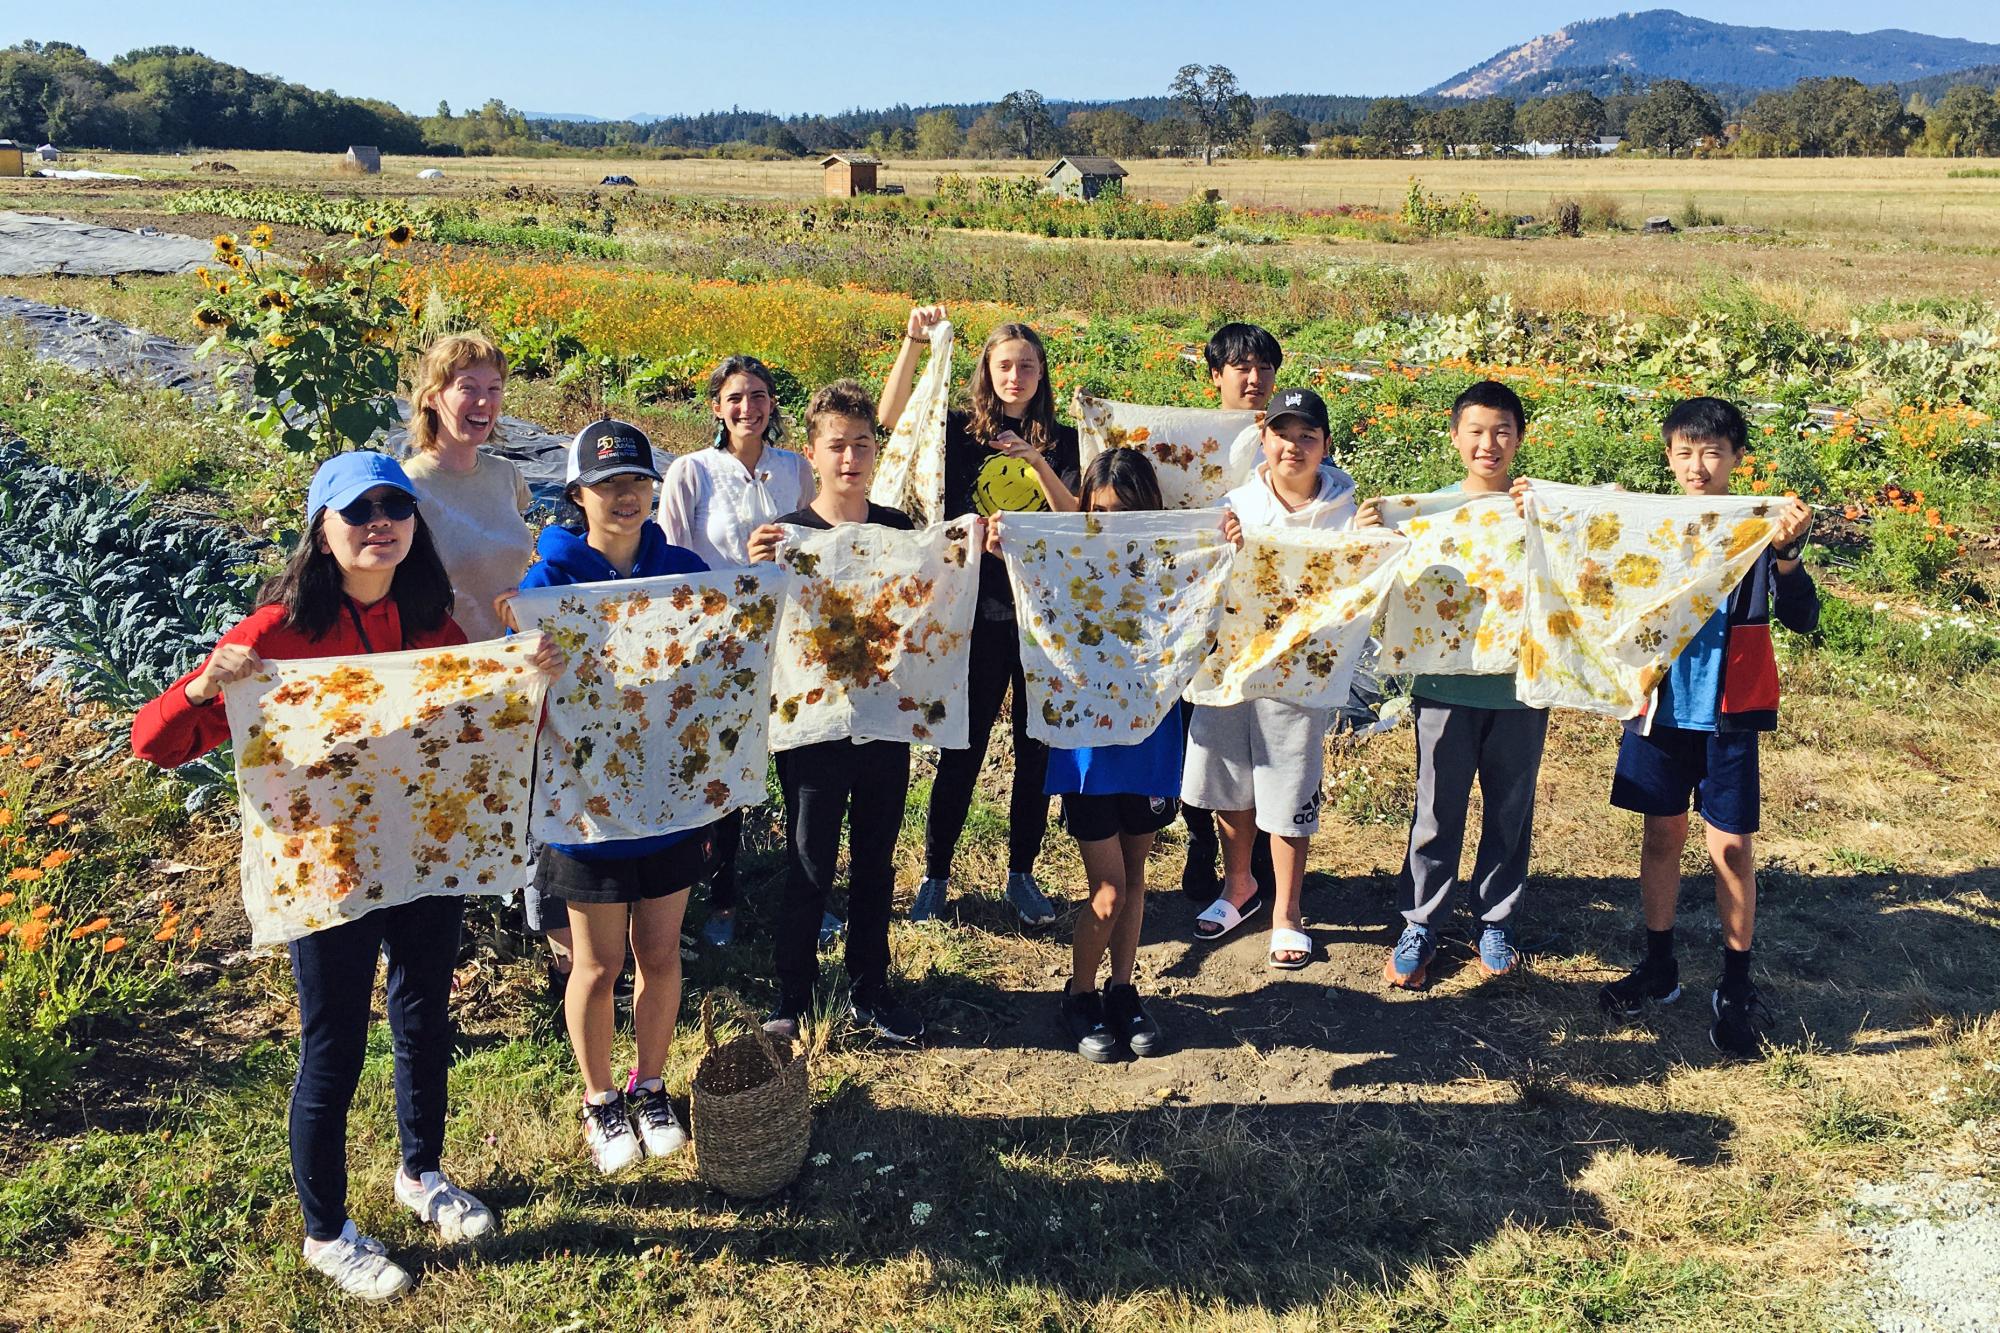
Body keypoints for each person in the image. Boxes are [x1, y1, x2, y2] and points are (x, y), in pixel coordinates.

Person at [131, 452, 564, 1302]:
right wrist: (202, 685)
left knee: (423, 1018)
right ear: (322, 530)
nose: (380, 522)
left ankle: (421, 1171)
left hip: (423, 857)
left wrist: (529, 679)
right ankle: (326, 1233)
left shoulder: (427, 621)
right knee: (333, 1047)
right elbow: (158, 743)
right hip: (330, 870)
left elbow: (481, 721)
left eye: (395, 507)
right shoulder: (273, 635)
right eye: (358, 508)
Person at [515, 419, 714, 1174]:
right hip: (588, 808)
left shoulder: (686, 571)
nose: (624, 497)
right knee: (594, 966)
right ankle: (601, 1100)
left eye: (635, 482)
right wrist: (525, 655)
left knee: (659, 953)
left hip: (669, 799)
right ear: (578, 496)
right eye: (607, 486)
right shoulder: (547, 585)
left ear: (652, 490)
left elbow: (727, 653)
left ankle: (652, 1083)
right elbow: (524, 687)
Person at [1591, 397, 1817, 1058]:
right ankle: (1659, 966)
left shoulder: (1759, 528)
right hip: (1658, 707)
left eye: (1713, 451)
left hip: (1728, 714)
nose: (1699, 465)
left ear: (1736, 457)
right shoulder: (1651, 526)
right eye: (1685, 452)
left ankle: (1735, 984)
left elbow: (1802, 618)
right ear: (1669, 457)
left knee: (1733, 848)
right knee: (1661, 834)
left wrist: (1788, 558)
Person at [880, 306, 1080, 928]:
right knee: (960, 749)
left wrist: (1036, 460)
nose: (1014, 376)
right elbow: (891, 421)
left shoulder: (1067, 441)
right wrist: (914, 343)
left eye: (1026, 365)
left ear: (1042, 373)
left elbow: (1075, 517)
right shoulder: (958, 432)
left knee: (1034, 748)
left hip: (1039, 619)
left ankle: (1022, 874)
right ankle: (935, 876)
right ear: (986, 372)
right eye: (1003, 365)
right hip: (972, 614)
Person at [745, 380, 929, 1045]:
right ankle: (791, 995)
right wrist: (756, 572)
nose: (850, 457)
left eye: (861, 444)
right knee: (808, 861)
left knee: (877, 860)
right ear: (811, 453)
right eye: (836, 446)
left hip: (883, 721)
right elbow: (758, 627)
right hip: (813, 727)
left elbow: (927, 608)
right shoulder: (787, 535)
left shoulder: (900, 530)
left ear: (875, 451)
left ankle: (869, 987)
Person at [1356, 381, 1548, 990]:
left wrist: (1564, 516)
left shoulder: (1539, 508)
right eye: (1477, 431)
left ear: (1519, 438)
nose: (1488, 444)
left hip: (1520, 687)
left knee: (1510, 808)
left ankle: (1495, 919)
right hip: (1444, 686)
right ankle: (1422, 920)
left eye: (1502, 432)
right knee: (1436, 811)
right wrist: (1374, 537)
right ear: (1455, 436)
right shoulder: (1428, 512)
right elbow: (1379, 587)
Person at [397, 332, 563, 984]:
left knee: (527, 808)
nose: (484, 402)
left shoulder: (505, 477)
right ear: (435, 396)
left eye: (494, 389)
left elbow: (519, 564)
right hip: (451, 683)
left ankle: (554, 956)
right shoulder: (411, 487)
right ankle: (440, 961)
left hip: (516, 675)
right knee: (451, 818)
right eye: (469, 387)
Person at [1183, 387, 1357, 970]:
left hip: (1301, 676)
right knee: (1229, 782)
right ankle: (1240, 887)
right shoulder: (1234, 503)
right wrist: (1223, 548)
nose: (1294, 446)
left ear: (1325, 447)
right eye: (1284, 434)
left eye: (1308, 436)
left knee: (1289, 788)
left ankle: (1288, 911)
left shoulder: (1349, 513)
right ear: (1264, 440)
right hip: (1232, 667)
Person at [1024, 449, 1178, 1062]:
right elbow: (1022, 559)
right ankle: (1079, 994)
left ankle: (1123, 990)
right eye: (1101, 510)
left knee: (1137, 879)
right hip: (1087, 749)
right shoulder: (1066, 558)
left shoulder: (1171, 561)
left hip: (1150, 739)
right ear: (1086, 508)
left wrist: (1225, 541)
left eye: (1127, 511)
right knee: (1107, 889)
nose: (1112, 522)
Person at [658, 355, 815, 950]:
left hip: (788, 639)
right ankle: (721, 900)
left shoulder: (795, 469)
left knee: (799, 768)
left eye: (758, 397)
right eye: (735, 398)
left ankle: (809, 895)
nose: (748, 408)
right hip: (718, 647)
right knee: (723, 773)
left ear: (773, 405)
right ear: (717, 408)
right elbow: (673, 565)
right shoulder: (692, 474)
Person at [1184, 323, 1283, 904]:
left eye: (1264, 368)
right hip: (1203, 612)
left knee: (1267, 736)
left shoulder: (1289, 434)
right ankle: (1204, 842)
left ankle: (1261, 859)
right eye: (1241, 367)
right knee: (1205, 738)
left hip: (1270, 614)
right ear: (1216, 375)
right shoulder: (1190, 441)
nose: (1254, 378)